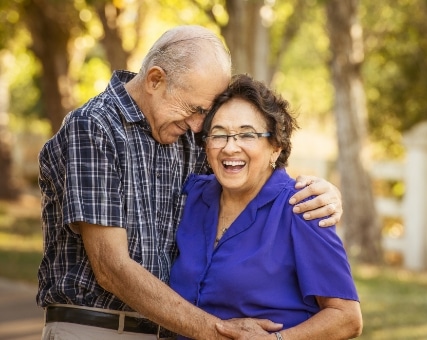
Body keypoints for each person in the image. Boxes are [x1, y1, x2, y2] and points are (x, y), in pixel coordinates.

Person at [37, 25, 344, 340]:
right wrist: (219, 332)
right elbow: (110, 268)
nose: (199, 125)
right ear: (156, 79)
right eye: (195, 109)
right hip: (98, 328)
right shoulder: (93, 128)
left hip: (171, 330)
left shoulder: (184, 133)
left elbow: (250, 171)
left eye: (206, 113)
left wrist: (323, 192)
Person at [169, 74, 363, 340]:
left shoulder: (302, 207)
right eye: (219, 134)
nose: (230, 147)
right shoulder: (193, 195)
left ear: (276, 147)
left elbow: (347, 317)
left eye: (247, 135)